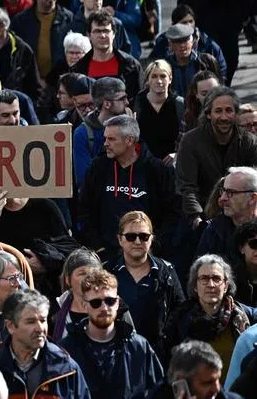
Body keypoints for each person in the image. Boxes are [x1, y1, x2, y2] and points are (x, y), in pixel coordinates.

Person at [76, 115, 177, 252]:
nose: (105, 143)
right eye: (105, 138)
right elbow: (84, 209)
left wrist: (154, 246)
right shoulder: (97, 168)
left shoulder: (157, 170)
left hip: (147, 252)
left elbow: (172, 214)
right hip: (105, 253)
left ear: (129, 140)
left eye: (111, 139)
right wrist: (97, 246)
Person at [58, 269, 165, 399]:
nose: (104, 308)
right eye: (96, 303)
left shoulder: (139, 347)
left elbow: (159, 391)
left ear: (118, 302)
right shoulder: (67, 350)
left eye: (110, 301)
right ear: (84, 306)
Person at [0, 289, 90, 399]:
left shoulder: (67, 369)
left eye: (43, 320)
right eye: (31, 322)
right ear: (10, 326)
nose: (40, 328)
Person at [177, 86, 257, 227]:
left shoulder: (249, 141)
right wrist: (197, 219)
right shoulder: (190, 141)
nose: (224, 117)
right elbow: (187, 187)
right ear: (208, 114)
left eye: (229, 111)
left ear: (236, 113)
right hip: (203, 214)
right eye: (218, 111)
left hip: (243, 213)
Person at [104, 211, 184, 348]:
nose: (137, 241)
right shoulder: (107, 271)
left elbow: (180, 312)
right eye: (130, 237)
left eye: (144, 236)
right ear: (120, 239)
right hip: (116, 352)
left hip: (158, 354)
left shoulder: (166, 272)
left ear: (151, 239)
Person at [160, 254, 257, 367]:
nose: (211, 285)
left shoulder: (247, 316)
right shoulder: (179, 320)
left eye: (216, 279)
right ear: (195, 286)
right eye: (204, 279)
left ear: (225, 286)